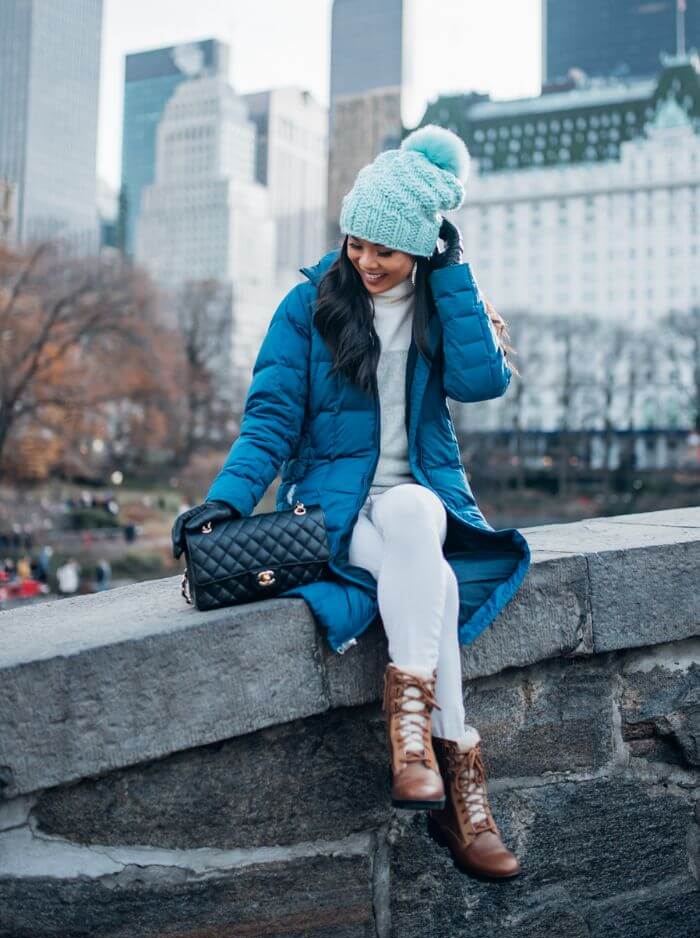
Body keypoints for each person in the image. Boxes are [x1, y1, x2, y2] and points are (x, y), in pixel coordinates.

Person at [172, 124, 531, 881]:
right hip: (335, 512)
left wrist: (455, 273)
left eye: (386, 249)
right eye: (356, 241)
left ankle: (413, 745)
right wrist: (227, 502)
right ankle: (457, 774)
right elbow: (270, 418)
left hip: (417, 501)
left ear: (422, 250)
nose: (366, 260)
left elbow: (483, 382)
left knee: (417, 519)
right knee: (426, 567)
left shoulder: (441, 299)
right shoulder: (310, 305)